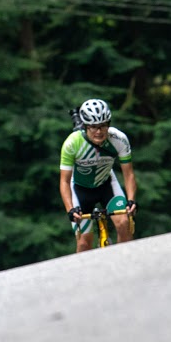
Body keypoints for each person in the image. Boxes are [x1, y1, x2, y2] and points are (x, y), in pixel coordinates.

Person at [58, 98, 137, 252]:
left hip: (106, 185)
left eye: (103, 126)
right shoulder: (72, 143)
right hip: (80, 190)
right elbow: (64, 181)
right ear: (86, 126)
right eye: (93, 127)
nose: (99, 132)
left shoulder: (119, 139)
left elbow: (129, 175)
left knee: (124, 224)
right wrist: (70, 210)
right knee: (84, 243)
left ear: (109, 124)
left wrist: (131, 200)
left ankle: (125, 264)